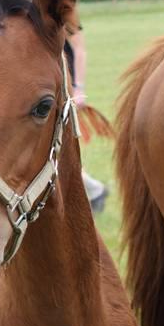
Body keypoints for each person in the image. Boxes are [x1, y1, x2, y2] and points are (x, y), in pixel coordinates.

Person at [63, 26, 109, 213]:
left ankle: (94, 190)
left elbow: (79, 48)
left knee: (62, 148)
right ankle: (94, 190)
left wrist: (79, 88)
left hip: (65, 86)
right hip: (47, 82)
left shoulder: (61, 8)